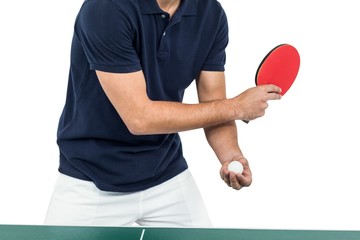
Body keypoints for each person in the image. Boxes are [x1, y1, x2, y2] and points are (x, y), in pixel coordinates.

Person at [44, 0, 281, 227]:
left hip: (165, 174)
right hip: (91, 180)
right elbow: (139, 118)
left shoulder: (211, 13)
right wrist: (238, 106)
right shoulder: (106, 9)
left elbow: (214, 104)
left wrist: (231, 156)